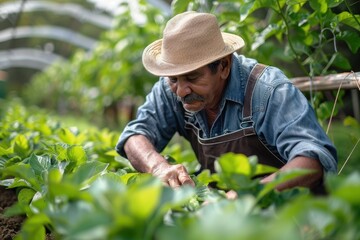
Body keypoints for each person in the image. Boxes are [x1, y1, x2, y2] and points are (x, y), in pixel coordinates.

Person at [115, 11, 337, 192]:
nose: (181, 90)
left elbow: (313, 158)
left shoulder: (268, 91)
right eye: (174, 79)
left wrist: (253, 194)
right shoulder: (169, 89)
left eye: (193, 77)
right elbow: (135, 135)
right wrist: (158, 168)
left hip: (293, 216)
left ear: (223, 66)